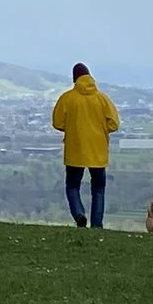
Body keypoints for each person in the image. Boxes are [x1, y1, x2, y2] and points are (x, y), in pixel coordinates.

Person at [51, 62, 120, 229]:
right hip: (98, 151)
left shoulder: (67, 98)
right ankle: (97, 225)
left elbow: (57, 122)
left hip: (75, 150)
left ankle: (79, 214)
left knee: (72, 186)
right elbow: (114, 124)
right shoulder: (102, 99)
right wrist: (101, 131)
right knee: (98, 189)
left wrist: (72, 128)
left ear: (75, 79)